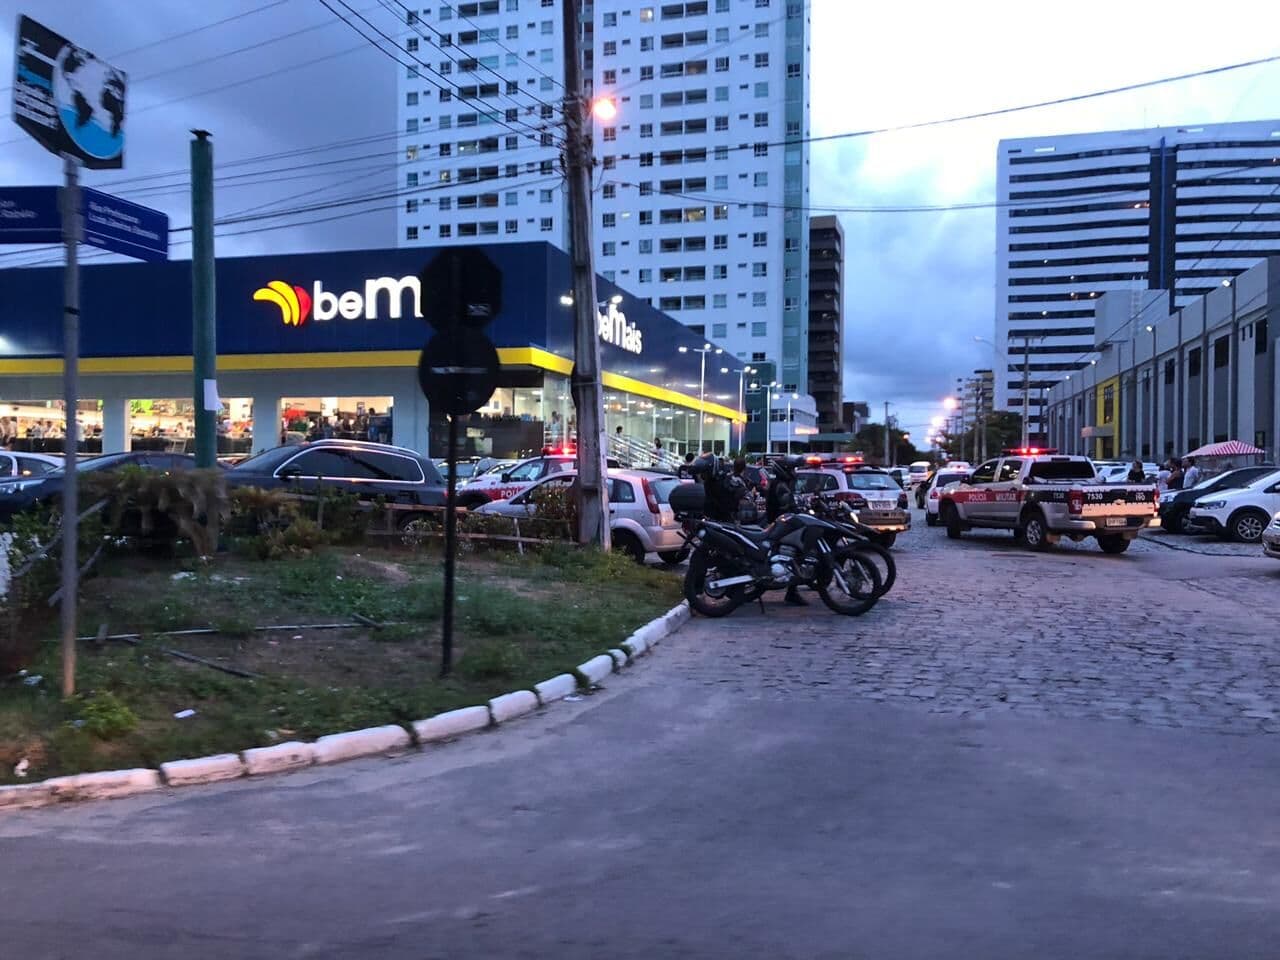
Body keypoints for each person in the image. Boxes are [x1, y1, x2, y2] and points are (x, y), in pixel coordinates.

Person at [765, 456, 805, 606]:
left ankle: (792, 590)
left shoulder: (781, 483)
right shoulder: (781, 486)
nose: (794, 472)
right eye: (792, 469)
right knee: (796, 553)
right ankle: (791, 591)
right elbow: (787, 507)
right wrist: (799, 511)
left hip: (778, 523)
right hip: (780, 525)